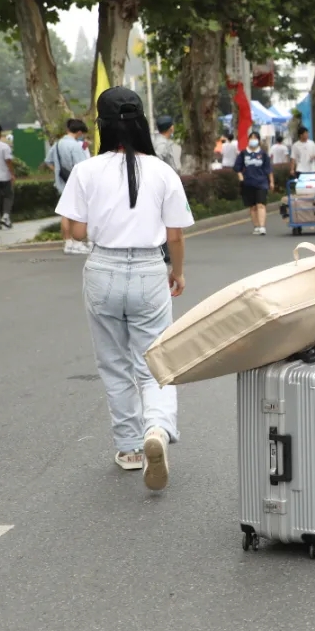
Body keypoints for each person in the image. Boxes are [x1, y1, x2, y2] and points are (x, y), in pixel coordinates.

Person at [55, 87, 195, 491]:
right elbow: (176, 235)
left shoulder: (86, 171)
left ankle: (131, 448)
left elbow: (76, 231)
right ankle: (158, 429)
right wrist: (177, 273)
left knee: (114, 365)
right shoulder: (162, 172)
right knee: (154, 363)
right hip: (151, 268)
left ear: (102, 126)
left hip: (103, 268)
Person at [45, 119, 90, 255]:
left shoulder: (58, 144)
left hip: (62, 182)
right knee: (77, 212)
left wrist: (58, 171)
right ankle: (77, 243)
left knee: (65, 213)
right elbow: (83, 166)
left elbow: (48, 161)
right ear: (79, 132)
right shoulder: (75, 146)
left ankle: (68, 242)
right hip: (75, 182)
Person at [234, 130, 274, 236]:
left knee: (261, 204)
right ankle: (256, 226)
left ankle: (262, 227)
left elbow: (269, 169)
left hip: (261, 182)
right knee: (253, 207)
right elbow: (237, 167)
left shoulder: (263, 154)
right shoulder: (243, 153)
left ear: (259, 141)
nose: (253, 140)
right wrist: (241, 177)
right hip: (248, 183)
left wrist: (271, 182)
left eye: (255, 138)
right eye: (251, 138)